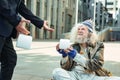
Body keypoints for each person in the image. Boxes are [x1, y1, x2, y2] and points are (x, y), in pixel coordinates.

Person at [0, 0, 54, 80]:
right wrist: (17, 21)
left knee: (10, 60)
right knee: (9, 60)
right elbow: (2, 5)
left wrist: (40, 22)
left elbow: (22, 7)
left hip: (5, 31)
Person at [52, 20, 120, 80]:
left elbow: (96, 65)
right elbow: (65, 67)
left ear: (89, 33)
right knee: (57, 72)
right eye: (78, 29)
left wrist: (76, 56)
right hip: (74, 75)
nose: (79, 31)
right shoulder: (73, 46)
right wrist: (64, 55)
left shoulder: (99, 46)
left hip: (91, 76)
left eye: (83, 29)